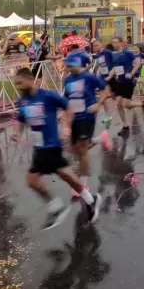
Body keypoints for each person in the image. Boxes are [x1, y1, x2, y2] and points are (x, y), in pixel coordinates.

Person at [11, 68, 103, 230]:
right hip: (39, 147)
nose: (18, 86)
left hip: (51, 144)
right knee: (64, 174)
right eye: (16, 83)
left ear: (31, 79)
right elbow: (21, 119)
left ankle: (57, 207)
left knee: (32, 179)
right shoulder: (23, 100)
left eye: (20, 82)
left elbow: (68, 108)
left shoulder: (48, 96)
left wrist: (66, 127)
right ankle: (90, 200)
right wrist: (16, 132)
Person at [62, 54, 110, 195]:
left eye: (70, 66)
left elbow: (105, 89)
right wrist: (63, 112)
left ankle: (82, 185)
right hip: (74, 118)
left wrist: (99, 104)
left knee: (82, 151)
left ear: (79, 64)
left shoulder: (90, 77)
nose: (68, 68)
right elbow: (67, 97)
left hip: (87, 116)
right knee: (76, 148)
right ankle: (100, 139)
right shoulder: (68, 79)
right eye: (67, 65)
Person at [105, 36, 144, 136]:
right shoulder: (114, 54)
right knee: (118, 103)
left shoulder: (127, 53)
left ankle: (142, 104)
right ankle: (125, 126)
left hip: (127, 81)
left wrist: (131, 73)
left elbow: (137, 63)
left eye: (116, 42)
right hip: (119, 81)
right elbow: (115, 66)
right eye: (113, 42)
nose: (114, 44)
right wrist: (110, 75)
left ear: (121, 43)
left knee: (125, 104)